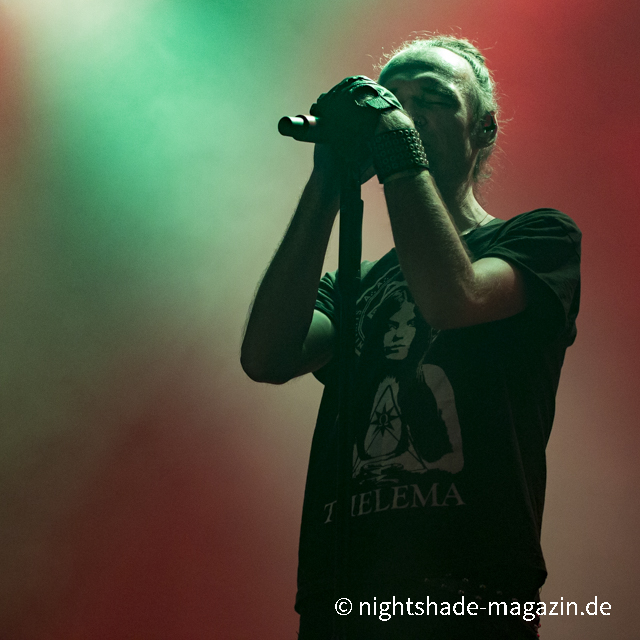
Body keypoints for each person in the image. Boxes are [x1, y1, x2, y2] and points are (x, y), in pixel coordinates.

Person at [241, 34, 581, 640]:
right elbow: (266, 357)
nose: (401, 110)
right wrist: (326, 185)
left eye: (433, 98)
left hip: (471, 592)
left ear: (483, 130)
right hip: (341, 595)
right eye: (391, 97)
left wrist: (398, 140)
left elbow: (455, 298)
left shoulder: (539, 240)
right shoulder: (356, 283)